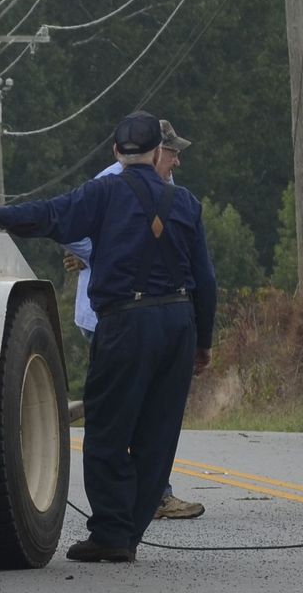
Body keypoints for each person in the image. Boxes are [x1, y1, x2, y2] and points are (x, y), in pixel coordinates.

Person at [0, 111, 216, 562]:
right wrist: (204, 342)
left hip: (126, 322)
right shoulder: (187, 204)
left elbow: (50, 214)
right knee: (159, 432)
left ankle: (113, 534)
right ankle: (128, 532)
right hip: (178, 322)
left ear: (117, 152)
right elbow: (206, 280)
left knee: (107, 429)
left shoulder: (104, 193)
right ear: (158, 151)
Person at [60, 122, 205, 522]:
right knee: (129, 411)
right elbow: (69, 227)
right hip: (112, 312)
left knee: (144, 409)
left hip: (142, 310)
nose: (176, 158)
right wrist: (101, 253)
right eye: (171, 150)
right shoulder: (111, 181)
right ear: (152, 150)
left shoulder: (169, 186)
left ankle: (150, 493)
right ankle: (141, 499)